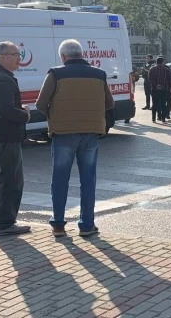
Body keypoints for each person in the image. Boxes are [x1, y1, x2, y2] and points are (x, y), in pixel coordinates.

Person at [35, 39, 114, 237]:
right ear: (81, 54)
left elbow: (40, 104)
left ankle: (59, 225)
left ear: (63, 57)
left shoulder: (55, 73)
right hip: (90, 133)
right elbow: (109, 103)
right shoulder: (99, 75)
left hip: (63, 134)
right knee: (88, 180)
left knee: (60, 180)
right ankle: (87, 225)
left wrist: (55, 115)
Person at [0, 41, 32, 236]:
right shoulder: (3, 79)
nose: (19, 58)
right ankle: (5, 222)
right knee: (11, 180)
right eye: (15, 54)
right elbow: (6, 111)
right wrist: (25, 114)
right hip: (6, 136)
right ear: (2, 57)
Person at [148, 56, 171, 124]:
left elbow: (150, 79)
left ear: (156, 62)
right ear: (162, 62)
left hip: (154, 89)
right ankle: (163, 118)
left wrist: (156, 85)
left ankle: (153, 118)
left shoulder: (152, 69)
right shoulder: (166, 70)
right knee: (163, 104)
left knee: (155, 104)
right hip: (164, 89)